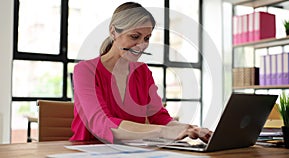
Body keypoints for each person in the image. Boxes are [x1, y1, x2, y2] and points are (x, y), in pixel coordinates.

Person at [70, 2, 212, 144]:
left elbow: (159, 118)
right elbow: (101, 123)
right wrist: (163, 131)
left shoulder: (142, 72)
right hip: (90, 150)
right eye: (134, 36)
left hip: (130, 151)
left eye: (146, 38)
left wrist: (191, 129)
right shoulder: (85, 70)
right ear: (113, 32)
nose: (142, 45)